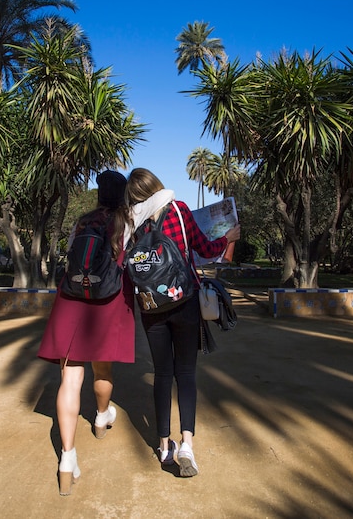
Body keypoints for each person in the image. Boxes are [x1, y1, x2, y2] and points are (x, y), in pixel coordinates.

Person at [37, 170, 174, 495]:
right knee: (102, 367)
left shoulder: (82, 221)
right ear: (123, 193)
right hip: (108, 301)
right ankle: (101, 417)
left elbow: (71, 257)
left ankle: (67, 460)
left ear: (99, 193)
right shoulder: (127, 218)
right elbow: (165, 194)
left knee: (70, 379)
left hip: (72, 300)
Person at [124, 168, 241, 477]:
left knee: (162, 374)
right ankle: (186, 443)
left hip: (151, 308)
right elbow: (204, 249)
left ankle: (164, 446)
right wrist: (226, 239)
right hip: (185, 299)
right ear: (157, 186)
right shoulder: (179, 209)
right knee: (185, 373)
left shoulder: (131, 225)